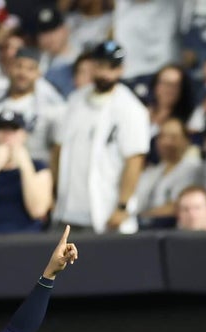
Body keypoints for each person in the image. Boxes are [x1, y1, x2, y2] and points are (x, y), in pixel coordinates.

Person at [52, 41, 149, 232]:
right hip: (68, 210)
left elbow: (135, 160)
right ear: (91, 66)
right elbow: (58, 148)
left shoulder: (130, 108)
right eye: (100, 65)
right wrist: (54, 193)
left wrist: (122, 206)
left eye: (112, 67)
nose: (105, 73)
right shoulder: (75, 100)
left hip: (104, 211)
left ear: (121, 69)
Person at [0, 48, 65, 166]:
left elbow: (57, 149)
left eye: (30, 69)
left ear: (39, 73)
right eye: (18, 66)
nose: (22, 73)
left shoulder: (49, 108)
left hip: (29, 173)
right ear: (10, 68)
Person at [0, 109, 53, 235]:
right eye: (2, 130)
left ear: (24, 135)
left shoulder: (39, 168)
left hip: (28, 238)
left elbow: (38, 210)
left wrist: (25, 166)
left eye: (13, 130)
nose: (7, 136)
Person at [135, 117, 202, 224]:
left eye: (173, 137)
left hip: (172, 228)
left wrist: (142, 216)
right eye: (162, 136)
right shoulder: (152, 171)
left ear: (186, 140)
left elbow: (178, 206)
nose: (166, 142)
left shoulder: (193, 168)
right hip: (144, 227)